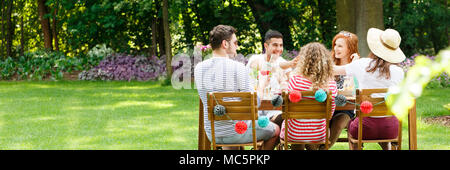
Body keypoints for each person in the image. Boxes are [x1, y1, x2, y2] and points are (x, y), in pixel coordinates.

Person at [194, 25, 280, 150]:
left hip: (212, 132)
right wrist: (261, 85)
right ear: (225, 44)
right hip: (237, 131)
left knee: (231, 134)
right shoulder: (237, 67)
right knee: (276, 130)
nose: (237, 46)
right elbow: (254, 102)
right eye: (235, 43)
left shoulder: (199, 68)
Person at [334, 28, 405, 150]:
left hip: (364, 128)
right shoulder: (399, 72)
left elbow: (335, 70)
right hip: (391, 129)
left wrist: (354, 64)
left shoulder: (362, 64)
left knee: (352, 125)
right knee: (382, 126)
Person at [278, 42, 338, 150]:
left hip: (293, 133)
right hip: (319, 134)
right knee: (309, 133)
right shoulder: (331, 84)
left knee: (297, 131)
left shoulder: (295, 81)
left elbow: (287, 109)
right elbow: (329, 115)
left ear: (303, 60)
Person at [324, 31, 360, 149]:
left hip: (346, 108)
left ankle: (324, 148)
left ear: (350, 49)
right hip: (326, 107)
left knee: (339, 124)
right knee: (316, 129)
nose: (335, 48)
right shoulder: (329, 64)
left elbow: (353, 89)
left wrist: (355, 66)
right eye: (335, 45)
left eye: (340, 46)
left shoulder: (358, 65)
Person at [246, 30, 289, 126]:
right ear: (266, 46)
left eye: (281, 45)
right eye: (275, 45)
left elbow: (290, 84)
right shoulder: (256, 60)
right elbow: (250, 84)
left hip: (275, 108)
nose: (279, 49)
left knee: (282, 118)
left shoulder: (283, 63)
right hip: (257, 108)